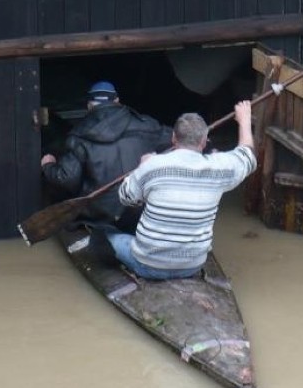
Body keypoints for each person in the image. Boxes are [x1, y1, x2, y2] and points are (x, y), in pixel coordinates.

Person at [101, 100, 256, 280]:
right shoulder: (220, 168)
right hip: (192, 266)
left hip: (148, 265)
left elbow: (126, 198)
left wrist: (141, 167)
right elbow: (248, 157)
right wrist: (244, 120)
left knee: (102, 237)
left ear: (173, 138)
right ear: (204, 142)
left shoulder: (153, 166)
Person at [40, 80, 173, 232]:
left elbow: (66, 179)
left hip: (100, 215)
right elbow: (176, 140)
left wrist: (48, 165)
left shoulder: (78, 137)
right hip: (139, 209)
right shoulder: (147, 125)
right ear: (117, 101)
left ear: (90, 105)